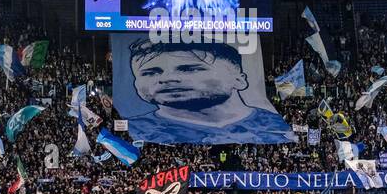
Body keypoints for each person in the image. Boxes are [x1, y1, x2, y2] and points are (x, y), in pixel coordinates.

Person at [123, 40, 295, 145]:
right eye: (150, 72)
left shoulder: (278, 128)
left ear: (239, 79)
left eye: (188, 69)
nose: (167, 79)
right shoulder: (132, 130)